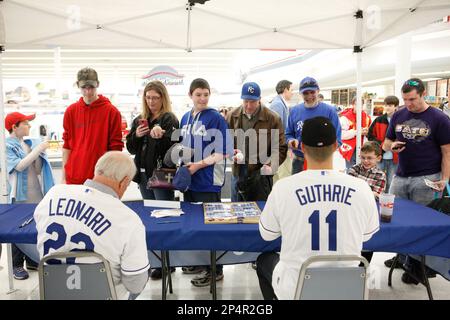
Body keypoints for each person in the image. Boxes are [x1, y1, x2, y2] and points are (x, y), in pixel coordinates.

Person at [256, 116, 379, 300]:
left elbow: (267, 234)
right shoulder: (361, 188)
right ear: (336, 147)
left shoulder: (283, 187)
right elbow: (367, 236)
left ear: (302, 147)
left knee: (264, 259)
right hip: (347, 287)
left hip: (296, 286)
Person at [34, 151, 150, 299]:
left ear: (97, 170)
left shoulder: (53, 194)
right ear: (125, 182)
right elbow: (135, 285)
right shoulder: (128, 219)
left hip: (55, 293)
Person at [382, 78, 450, 284]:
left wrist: (445, 178)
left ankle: (419, 266)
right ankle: (402, 257)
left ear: (423, 95)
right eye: (405, 99)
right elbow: (385, 143)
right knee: (395, 219)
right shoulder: (399, 114)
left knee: (421, 225)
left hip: (427, 177)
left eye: (412, 99)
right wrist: (392, 146)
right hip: (400, 176)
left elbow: (447, 151)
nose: (409, 104)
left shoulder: (440, 118)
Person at [178, 78, 233, 287]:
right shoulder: (185, 118)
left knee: (210, 226)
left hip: (208, 181)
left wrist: (199, 165)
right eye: (198, 94)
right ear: (190, 95)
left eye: (206, 94)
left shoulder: (216, 118)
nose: (202, 98)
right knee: (193, 224)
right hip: (190, 181)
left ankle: (215, 269)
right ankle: (201, 262)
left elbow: (223, 152)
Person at [126, 80, 179, 280]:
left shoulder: (169, 119)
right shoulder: (141, 119)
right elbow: (131, 148)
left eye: (155, 97)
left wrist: (161, 135)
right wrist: (137, 136)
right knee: (150, 217)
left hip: (162, 173)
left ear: (163, 98)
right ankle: (156, 260)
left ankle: (168, 263)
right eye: (148, 97)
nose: (151, 101)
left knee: (164, 217)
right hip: (143, 175)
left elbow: (175, 144)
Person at [5, 112, 55, 280]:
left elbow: (38, 170)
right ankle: (17, 264)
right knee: (16, 230)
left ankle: (32, 259)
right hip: (20, 196)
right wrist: (38, 150)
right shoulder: (6, 146)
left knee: (35, 226)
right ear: (14, 127)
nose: (30, 126)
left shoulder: (27, 144)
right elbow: (18, 167)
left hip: (36, 193)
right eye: (26, 123)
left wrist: (39, 154)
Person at [62, 67, 124, 185]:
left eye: (91, 87)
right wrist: (63, 177)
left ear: (98, 85)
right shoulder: (71, 111)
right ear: (78, 86)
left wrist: (113, 177)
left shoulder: (112, 112)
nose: (88, 92)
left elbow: (116, 148)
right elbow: (67, 147)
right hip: (73, 176)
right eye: (84, 88)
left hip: (101, 178)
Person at [227, 82, 287, 201]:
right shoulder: (232, 116)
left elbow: (281, 148)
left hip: (260, 175)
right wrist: (231, 152)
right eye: (246, 101)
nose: (249, 106)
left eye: (253, 102)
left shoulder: (272, 118)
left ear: (259, 99)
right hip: (238, 173)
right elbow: (226, 142)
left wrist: (270, 165)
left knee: (260, 212)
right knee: (236, 212)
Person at [285, 77, 342, 174]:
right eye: (305, 93)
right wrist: (291, 141)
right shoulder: (294, 111)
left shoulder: (329, 111)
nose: (309, 96)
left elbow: (338, 139)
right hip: (299, 161)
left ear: (318, 91)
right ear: (300, 94)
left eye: (312, 92)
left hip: (323, 162)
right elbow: (288, 134)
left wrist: (322, 152)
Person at [347, 141, 386, 265]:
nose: (365, 161)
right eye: (363, 157)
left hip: (367, 213)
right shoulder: (353, 169)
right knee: (351, 240)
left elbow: (376, 194)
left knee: (368, 242)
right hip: (351, 211)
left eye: (370, 158)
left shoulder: (380, 175)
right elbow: (348, 189)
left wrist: (359, 192)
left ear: (378, 158)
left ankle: (363, 268)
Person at [368, 95, 400, 192]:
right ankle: (377, 200)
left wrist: (394, 144)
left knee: (391, 182)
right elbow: (370, 136)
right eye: (386, 105)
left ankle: (388, 202)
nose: (387, 107)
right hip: (380, 157)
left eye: (390, 105)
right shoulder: (378, 120)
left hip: (395, 158)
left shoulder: (401, 121)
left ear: (396, 107)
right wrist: (381, 145)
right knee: (378, 181)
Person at [269, 80, 293, 183]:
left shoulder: (280, 103)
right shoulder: (278, 104)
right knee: (284, 176)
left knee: (279, 176)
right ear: (285, 89)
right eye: (291, 90)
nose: (292, 92)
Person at [339, 96, 372, 169]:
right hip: (349, 148)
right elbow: (341, 134)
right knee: (351, 170)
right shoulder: (345, 118)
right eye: (357, 104)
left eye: (361, 104)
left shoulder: (367, 117)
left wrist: (367, 133)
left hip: (363, 148)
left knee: (361, 170)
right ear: (353, 105)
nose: (359, 107)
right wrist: (357, 132)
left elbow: (370, 132)